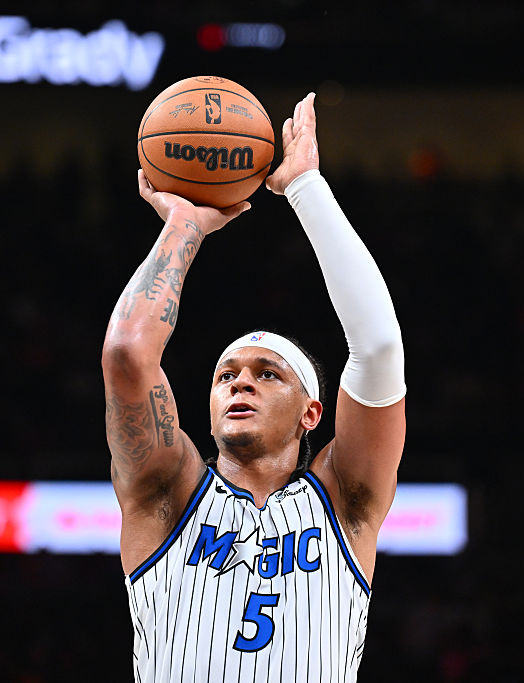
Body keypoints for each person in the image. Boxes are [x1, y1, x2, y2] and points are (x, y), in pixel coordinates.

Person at [102, 92, 405, 682]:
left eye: (267, 373)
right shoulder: (167, 491)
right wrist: (185, 225)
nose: (241, 381)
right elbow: (127, 353)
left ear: (311, 413)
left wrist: (306, 189)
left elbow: (379, 349)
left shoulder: (345, 501)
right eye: (225, 375)